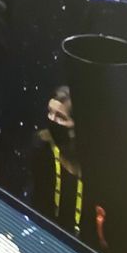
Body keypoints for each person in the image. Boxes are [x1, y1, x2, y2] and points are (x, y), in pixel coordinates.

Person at [29, 86, 84, 236]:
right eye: (50, 112)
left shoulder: (93, 164)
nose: (52, 120)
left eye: (60, 116)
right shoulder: (41, 146)